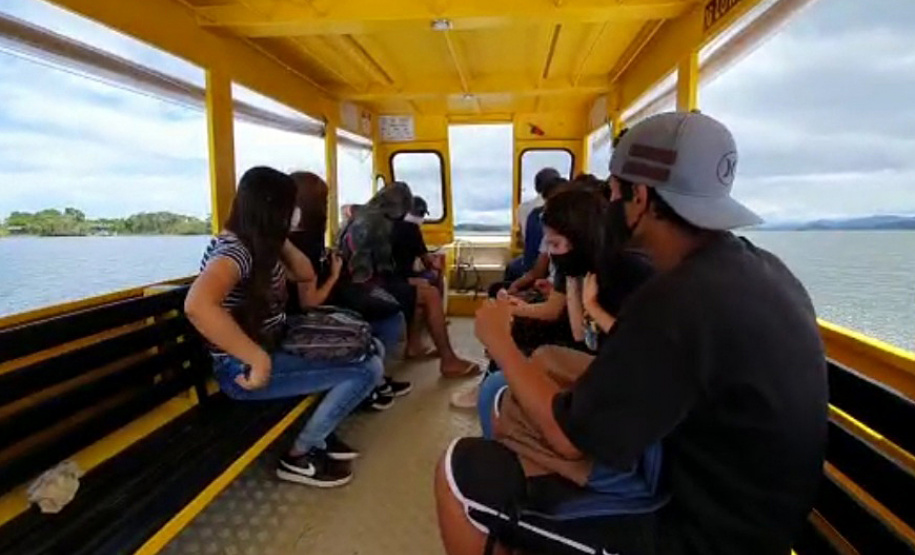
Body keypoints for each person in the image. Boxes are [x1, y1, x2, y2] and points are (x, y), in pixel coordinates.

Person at [435, 111, 828, 554]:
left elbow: (568, 441)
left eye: (614, 192)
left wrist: (499, 341)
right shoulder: (761, 270)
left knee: (458, 473)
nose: (608, 206)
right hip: (751, 507)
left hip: (701, 533)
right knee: (546, 377)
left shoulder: (678, 299)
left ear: (640, 199)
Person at [185, 166, 384, 488]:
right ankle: (298, 456)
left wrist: (279, 239)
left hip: (275, 340)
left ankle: (319, 435)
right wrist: (257, 360)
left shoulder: (258, 245)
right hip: (242, 370)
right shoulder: (234, 252)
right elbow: (197, 305)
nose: (294, 214)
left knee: (373, 349)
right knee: (365, 371)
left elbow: (305, 275)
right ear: (273, 209)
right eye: (288, 207)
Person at [285, 171, 411, 410]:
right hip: (305, 317)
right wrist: (333, 275)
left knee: (387, 311)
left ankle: (376, 378)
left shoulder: (300, 239)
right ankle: (371, 382)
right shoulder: (304, 243)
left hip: (324, 302)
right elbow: (308, 302)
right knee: (386, 318)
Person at [340, 182, 480, 378]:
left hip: (351, 285)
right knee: (429, 294)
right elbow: (379, 271)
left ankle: (414, 346)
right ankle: (449, 361)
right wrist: (408, 283)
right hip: (365, 290)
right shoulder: (378, 224)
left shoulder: (358, 216)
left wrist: (407, 283)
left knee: (418, 290)